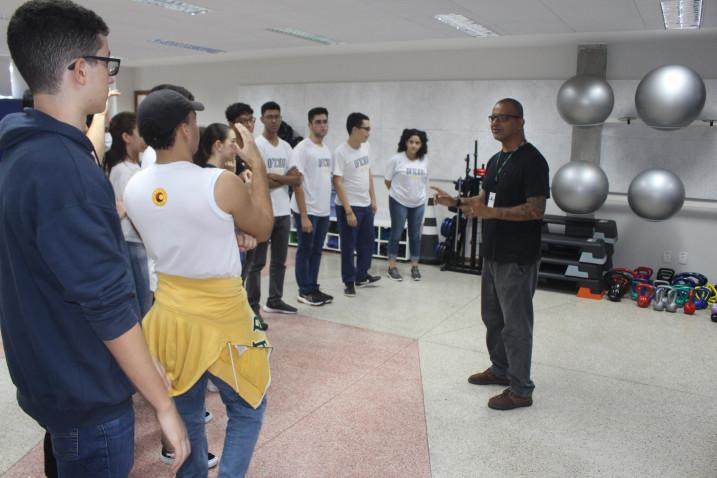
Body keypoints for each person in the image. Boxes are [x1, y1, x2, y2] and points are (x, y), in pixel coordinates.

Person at [0, 1, 189, 476]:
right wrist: (161, 402)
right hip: (87, 393)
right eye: (107, 61)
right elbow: (105, 303)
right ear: (79, 69)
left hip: (50, 375)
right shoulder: (63, 172)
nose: (111, 74)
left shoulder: (21, 150)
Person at [124, 89, 273, 477]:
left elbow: (178, 231)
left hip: (170, 315)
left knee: (185, 412)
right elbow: (263, 225)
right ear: (185, 129)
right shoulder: (219, 183)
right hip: (223, 315)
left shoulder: (136, 187)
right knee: (248, 407)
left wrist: (227, 234)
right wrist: (255, 162)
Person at [432, 98, 549, 411]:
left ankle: (521, 389)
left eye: (504, 118)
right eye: (493, 118)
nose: (496, 123)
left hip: (518, 257)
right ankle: (501, 370)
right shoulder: (497, 161)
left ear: (520, 122)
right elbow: (482, 200)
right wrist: (455, 202)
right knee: (493, 318)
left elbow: (536, 209)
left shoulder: (533, 161)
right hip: (493, 253)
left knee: (516, 325)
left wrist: (491, 212)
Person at [243, 101, 302, 321]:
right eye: (269, 116)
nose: (274, 120)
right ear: (262, 119)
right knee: (257, 264)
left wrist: (274, 177)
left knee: (280, 260)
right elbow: (258, 181)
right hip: (261, 212)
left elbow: (297, 179)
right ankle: (253, 307)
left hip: (283, 212)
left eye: (277, 116)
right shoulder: (256, 146)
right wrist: (280, 178)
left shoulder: (286, 146)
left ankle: (274, 300)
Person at [105, 112, 152, 316]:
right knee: (143, 301)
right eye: (140, 132)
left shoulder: (136, 167)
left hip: (140, 241)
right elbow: (125, 209)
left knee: (147, 296)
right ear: (126, 137)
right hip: (132, 241)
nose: (145, 138)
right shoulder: (122, 170)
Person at [290, 107, 335, 306]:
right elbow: (297, 183)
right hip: (306, 210)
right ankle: (304, 291)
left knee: (317, 251)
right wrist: (304, 215)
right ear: (309, 124)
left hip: (323, 210)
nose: (322, 125)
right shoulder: (302, 149)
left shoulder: (326, 150)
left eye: (325, 121)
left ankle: (313, 287)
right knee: (305, 250)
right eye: (318, 122)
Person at [333, 112, 380, 296]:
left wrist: (373, 198)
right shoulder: (340, 152)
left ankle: (361, 275)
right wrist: (348, 210)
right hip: (348, 206)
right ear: (354, 129)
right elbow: (337, 181)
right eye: (366, 129)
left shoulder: (366, 147)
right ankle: (349, 281)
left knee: (367, 242)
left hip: (365, 204)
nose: (369, 132)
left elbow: (367, 172)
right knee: (348, 245)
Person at [384, 129, 430, 282]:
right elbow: (387, 181)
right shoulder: (396, 159)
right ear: (406, 142)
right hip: (398, 202)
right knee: (396, 234)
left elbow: (424, 181)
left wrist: (419, 196)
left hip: (418, 203)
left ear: (421, 145)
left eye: (417, 143)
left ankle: (415, 267)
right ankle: (392, 267)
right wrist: (399, 195)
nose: (414, 145)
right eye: (411, 142)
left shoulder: (424, 160)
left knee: (415, 235)